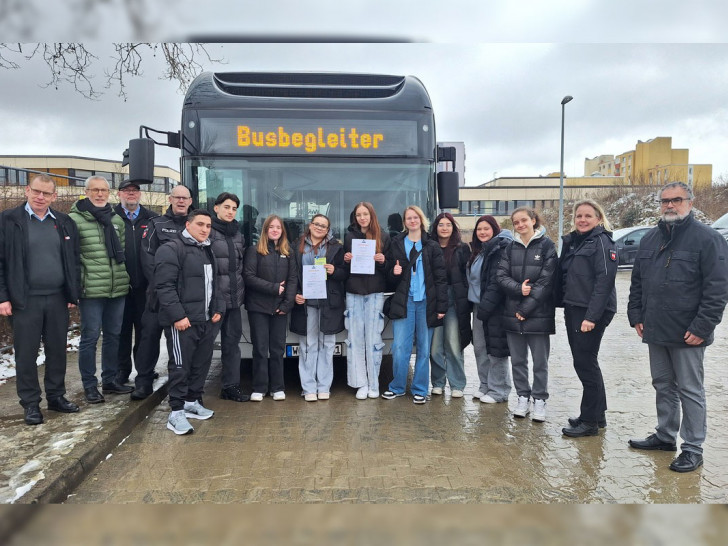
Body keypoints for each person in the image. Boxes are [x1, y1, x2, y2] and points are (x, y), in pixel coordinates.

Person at [627, 182, 728, 472]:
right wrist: (636, 315)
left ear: (690, 202)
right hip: (655, 328)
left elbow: (718, 289)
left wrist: (703, 326)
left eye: (676, 200)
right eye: (665, 201)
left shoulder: (707, 239)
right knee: (662, 385)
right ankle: (665, 435)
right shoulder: (650, 239)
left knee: (690, 389)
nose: (670, 205)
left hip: (689, 333)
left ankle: (693, 448)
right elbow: (637, 282)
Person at [0, 174, 81, 425]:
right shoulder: (8, 220)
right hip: (25, 300)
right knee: (26, 353)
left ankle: (56, 397)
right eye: (36, 191)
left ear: (54, 196)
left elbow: (73, 261)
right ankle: (31, 404)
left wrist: (71, 292)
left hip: (57, 298)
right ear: (27, 191)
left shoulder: (65, 222)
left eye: (46, 193)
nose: (40, 197)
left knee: (57, 351)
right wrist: (3, 297)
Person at [155, 209, 224, 435]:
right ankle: (176, 413)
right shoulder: (171, 249)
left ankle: (192, 401)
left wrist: (217, 309)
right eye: (200, 224)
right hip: (182, 323)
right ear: (188, 224)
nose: (205, 229)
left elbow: (214, 284)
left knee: (201, 364)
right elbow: (164, 287)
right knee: (180, 366)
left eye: (208, 226)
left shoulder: (207, 250)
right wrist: (178, 316)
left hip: (205, 321)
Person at [69, 175, 132, 403]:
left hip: (117, 288)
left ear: (109, 193)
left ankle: (110, 380)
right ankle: (89, 385)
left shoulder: (116, 220)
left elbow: (121, 253)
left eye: (103, 190)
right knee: (90, 337)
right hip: (91, 290)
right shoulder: (74, 220)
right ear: (86, 192)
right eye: (94, 190)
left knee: (114, 335)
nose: (99, 194)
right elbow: (71, 258)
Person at [557, 200, 617, 437]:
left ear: (598, 219)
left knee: (585, 363)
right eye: (578, 216)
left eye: (588, 216)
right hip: (575, 308)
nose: (582, 220)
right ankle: (596, 415)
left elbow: (605, 281)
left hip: (591, 311)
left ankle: (589, 423)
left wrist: (591, 317)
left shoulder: (602, 242)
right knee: (586, 361)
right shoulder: (576, 242)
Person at [130, 185, 192, 400]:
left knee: (179, 345)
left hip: (185, 299)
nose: (181, 201)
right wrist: (164, 287)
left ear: (191, 201)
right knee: (148, 338)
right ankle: (144, 382)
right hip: (157, 296)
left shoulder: (195, 225)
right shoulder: (156, 225)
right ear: (170, 199)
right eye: (177, 197)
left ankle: (181, 386)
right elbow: (148, 260)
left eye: (185, 198)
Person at [496, 207, 557, 422]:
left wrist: (525, 308)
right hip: (513, 313)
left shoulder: (547, 246)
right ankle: (523, 397)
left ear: (533, 220)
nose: (520, 225)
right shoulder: (509, 247)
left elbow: (546, 282)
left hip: (538, 313)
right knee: (518, 361)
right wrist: (517, 289)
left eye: (524, 220)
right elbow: (501, 276)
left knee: (540, 362)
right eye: (516, 222)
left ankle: (540, 399)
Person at [382, 205, 447, 404]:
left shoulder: (432, 245)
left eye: (415, 217)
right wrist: (393, 272)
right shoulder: (397, 243)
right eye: (408, 218)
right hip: (405, 301)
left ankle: (420, 389)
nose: (412, 221)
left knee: (424, 348)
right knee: (400, 347)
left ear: (421, 220)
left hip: (427, 302)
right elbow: (389, 276)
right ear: (405, 222)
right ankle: (398, 387)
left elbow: (440, 278)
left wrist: (442, 307)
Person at [291, 214, 346, 401]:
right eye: (317, 224)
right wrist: (295, 294)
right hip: (306, 303)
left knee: (328, 344)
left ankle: (324, 386)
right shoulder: (296, 246)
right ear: (310, 225)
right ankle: (308, 388)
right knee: (308, 345)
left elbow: (345, 274)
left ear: (328, 229)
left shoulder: (336, 248)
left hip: (329, 302)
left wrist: (334, 271)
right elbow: (292, 274)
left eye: (324, 226)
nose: (320, 228)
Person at [243, 214, 297, 401]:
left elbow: (292, 280)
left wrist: (287, 304)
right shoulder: (254, 251)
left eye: (278, 227)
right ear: (265, 230)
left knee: (277, 349)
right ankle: (259, 387)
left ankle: (277, 387)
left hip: (280, 309)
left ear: (283, 231)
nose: (275, 230)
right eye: (271, 227)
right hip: (258, 307)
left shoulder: (288, 252)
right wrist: (274, 288)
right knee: (259, 348)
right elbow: (249, 277)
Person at [342, 202, 390, 400]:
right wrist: (346, 260)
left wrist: (382, 261)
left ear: (372, 215)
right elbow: (344, 270)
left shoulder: (383, 236)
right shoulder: (349, 237)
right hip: (353, 292)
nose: (362, 218)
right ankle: (360, 383)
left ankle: (374, 383)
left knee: (374, 340)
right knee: (355, 341)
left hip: (375, 293)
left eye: (365, 214)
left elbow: (389, 271)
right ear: (355, 217)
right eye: (359, 214)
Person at [114, 179, 158, 385]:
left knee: (145, 331)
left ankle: (144, 369)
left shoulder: (152, 219)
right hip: (120, 285)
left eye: (135, 191)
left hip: (145, 286)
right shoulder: (110, 217)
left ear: (140, 194)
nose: (131, 194)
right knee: (121, 331)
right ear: (119, 194)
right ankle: (122, 371)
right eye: (126, 191)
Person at [468, 215, 513, 404]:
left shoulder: (501, 249)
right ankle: (485, 385)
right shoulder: (480, 251)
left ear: (495, 229)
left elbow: (497, 282)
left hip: (495, 307)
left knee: (496, 349)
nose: (482, 232)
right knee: (480, 348)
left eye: (486, 228)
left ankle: (499, 391)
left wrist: (487, 305)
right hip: (479, 306)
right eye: (479, 229)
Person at [209, 192, 248, 402]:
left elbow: (239, 268)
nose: (230, 211)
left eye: (234, 208)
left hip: (234, 300)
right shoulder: (208, 232)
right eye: (226, 207)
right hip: (214, 301)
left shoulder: (238, 235)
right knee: (205, 347)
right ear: (216, 208)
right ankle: (194, 391)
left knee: (232, 346)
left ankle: (230, 387)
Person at [428, 212, 471, 398]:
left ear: (453, 228)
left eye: (448, 224)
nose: (444, 228)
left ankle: (457, 384)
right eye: (440, 224)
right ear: (435, 227)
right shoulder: (428, 247)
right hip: (434, 298)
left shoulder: (462, 249)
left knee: (453, 343)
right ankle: (438, 382)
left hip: (454, 298)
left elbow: (466, 277)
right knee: (435, 346)